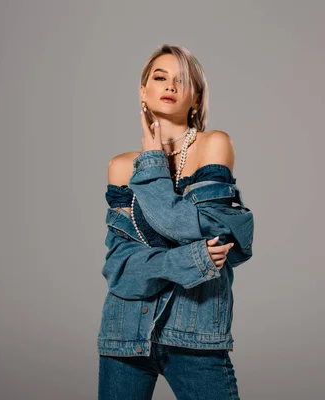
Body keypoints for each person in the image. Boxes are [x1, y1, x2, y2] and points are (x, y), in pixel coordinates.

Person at [98, 44, 254, 400]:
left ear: (196, 98)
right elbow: (120, 267)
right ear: (143, 90)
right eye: (160, 77)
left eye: (181, 80)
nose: (170, 85)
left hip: (196, 333)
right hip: (124, 331)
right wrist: (191, 260)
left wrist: (153, 164)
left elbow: (202, 230)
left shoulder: (215, 145)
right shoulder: (121, 167)